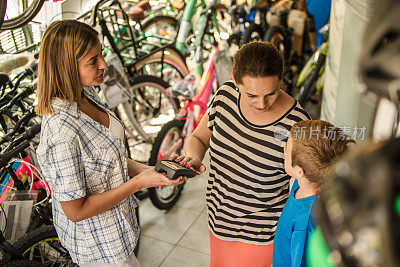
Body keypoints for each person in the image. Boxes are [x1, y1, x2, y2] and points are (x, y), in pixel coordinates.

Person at [35, 20, 185, 266]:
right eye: (92, 61)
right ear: (66, 68)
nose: (103, 64)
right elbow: (76, 211)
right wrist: (138, 183)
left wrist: (153, 171)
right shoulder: (61, 134)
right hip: (98, 250)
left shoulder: (86, 94)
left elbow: (108, 160)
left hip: (118, 233)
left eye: (101, 54)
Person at [172, 42, 310, 266]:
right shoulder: (225, 95)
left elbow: (307, 183)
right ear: (236, 82)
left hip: (261, 236)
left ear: (280, 79)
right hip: (218, 221)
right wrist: (194, 157)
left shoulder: (297, 123)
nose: (262, 103)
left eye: (271, 93)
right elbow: (198, 138)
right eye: (252, 95)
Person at [272, 120, 355, 267]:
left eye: (287, 148)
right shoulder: (301, 183)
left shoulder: (305, 221)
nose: (284, 150)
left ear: (299, 171)